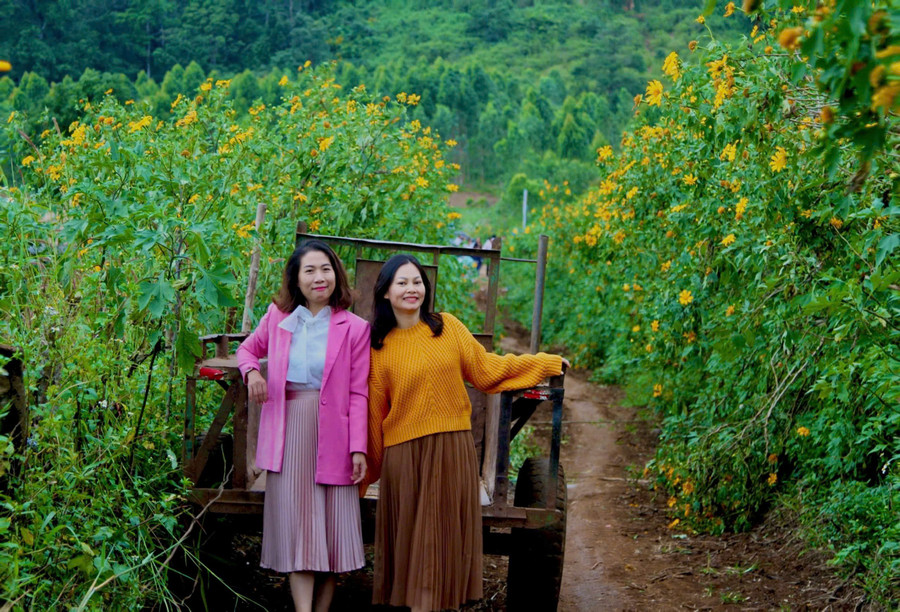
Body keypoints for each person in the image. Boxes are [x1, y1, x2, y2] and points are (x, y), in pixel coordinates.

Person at [364, 254, 568, 611]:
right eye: (402, 282)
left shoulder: (448, 327)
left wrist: (543, 363)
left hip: (451, 450)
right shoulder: (378, 347)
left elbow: (487, 369)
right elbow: (373, 413)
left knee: (441, 541)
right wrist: (366, 472)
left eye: (417, 282)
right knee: (413, 546)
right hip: (405, 457)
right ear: (385, 292)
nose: (412, 289)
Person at [237, 240, 370, 612]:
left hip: (336, 437)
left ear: (336, 275)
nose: (319, 277)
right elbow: (247, 350)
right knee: (299, 530)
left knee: (332, 534)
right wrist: (252, 374)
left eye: (325, 269)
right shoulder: (278, 318)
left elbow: (358, 392)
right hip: (289, 433)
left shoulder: (355, 328)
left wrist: (358, 447)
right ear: (296, 279)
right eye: (309, 270)